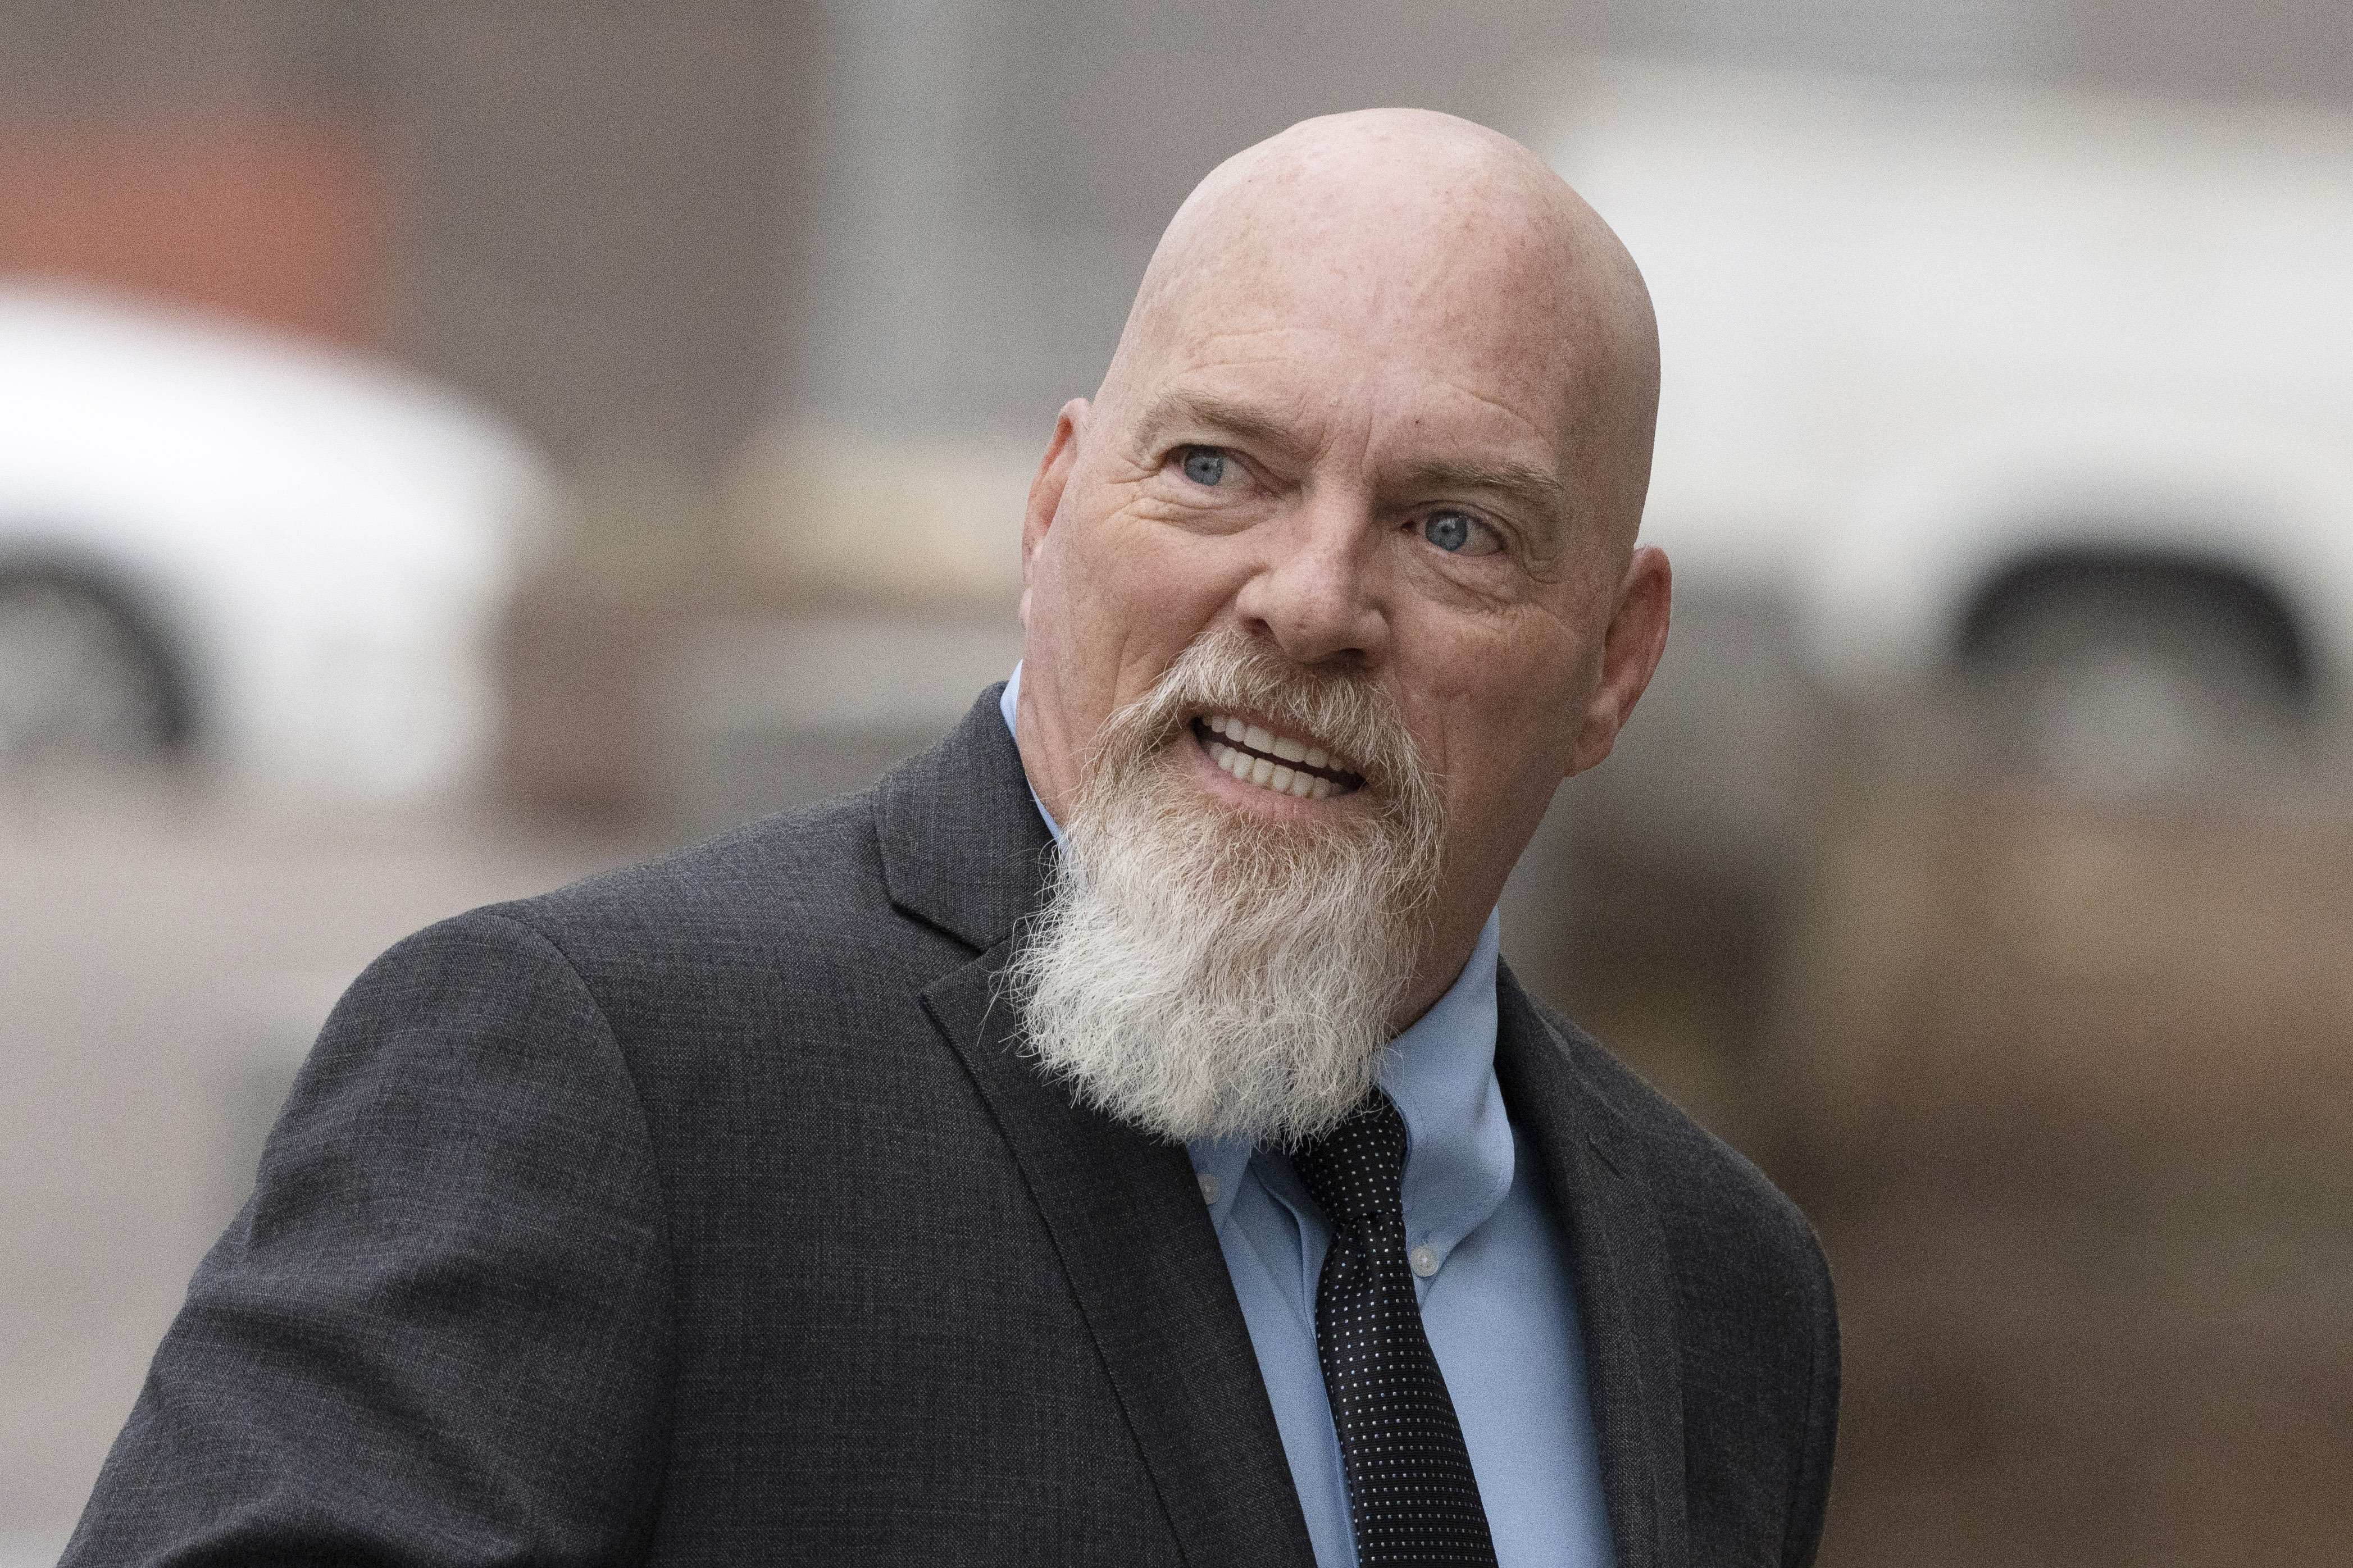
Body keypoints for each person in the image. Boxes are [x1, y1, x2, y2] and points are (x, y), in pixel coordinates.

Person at [66, 108, 1837, 1568]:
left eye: (1454, 528)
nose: (1310, 602)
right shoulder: (599, 1080)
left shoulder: (1726, 1292)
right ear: (1058, 501)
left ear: (1615, 662)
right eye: (1220, 469)